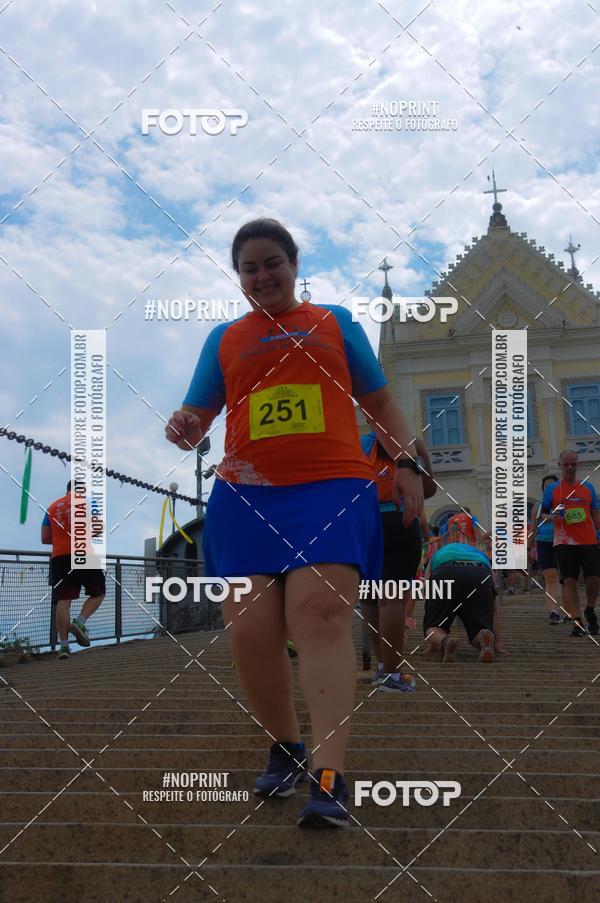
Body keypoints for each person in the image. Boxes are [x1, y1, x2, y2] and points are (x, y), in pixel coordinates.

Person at [166, 218, 423, 828]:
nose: (262, 275)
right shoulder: (224, 340)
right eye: (249, 268)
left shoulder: (334, 322)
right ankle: (286, 746)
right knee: (249, 626)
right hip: (246, 494)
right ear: (239, 278)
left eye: (272, 262)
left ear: (294, 263)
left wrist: (407, 461)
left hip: (332, 485)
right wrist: (182, 423)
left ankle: (329, 777)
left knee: (318, 612)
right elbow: (197, 416)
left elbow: (381, 402)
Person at [359, 432, 436, 690]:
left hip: (366, 524)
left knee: (369, 598)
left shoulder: (359, 443)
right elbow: (428, 489)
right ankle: (393, 675)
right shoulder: (410, 442)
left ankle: (382, 667)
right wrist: (421, 455)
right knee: (392, 598)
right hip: (400, 519)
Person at [41, 481, 105, 660]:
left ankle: (63, 647)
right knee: (98, 592)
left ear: (66, 490)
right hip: (84, 552)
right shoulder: (89, 502)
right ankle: (80, 622)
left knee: (63, 600)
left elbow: (45, 538)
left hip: (59, 557)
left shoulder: (52, 507)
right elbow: (98, 530)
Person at [541, 451, 600, 636]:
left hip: (588, 539)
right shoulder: (553, 490)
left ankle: (589, 609)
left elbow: (595, 512)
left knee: (594, 578)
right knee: (569, 580)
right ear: (559, 465)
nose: (569, 468)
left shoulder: (587, 487)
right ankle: (577, 622)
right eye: (566, 464)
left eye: (573, 464)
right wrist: (549, 517)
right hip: (563, 540)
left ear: (577, 465)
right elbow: (542, 513)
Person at [423, 541, 501, 662]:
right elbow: (494, 607)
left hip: (445, 571)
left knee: (434, 627)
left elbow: (427, 586)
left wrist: (434, 618)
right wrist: (497, 643)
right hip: (479, 572)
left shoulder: (439, 553)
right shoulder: (480, 554)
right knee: (478, 630)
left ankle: (444, 640)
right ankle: (482, 635)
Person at [528, 474, 563, 623]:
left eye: (552, 485)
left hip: (563, 542)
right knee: (550, 577)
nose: (549, 488)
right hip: (544, 543)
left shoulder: (564, 504)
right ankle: (553, 611)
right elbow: (533, 529)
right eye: (546, 486)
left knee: (565, 579)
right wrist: (528, 548)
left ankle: (568, 610)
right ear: (543, 489)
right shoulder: (537, 506)